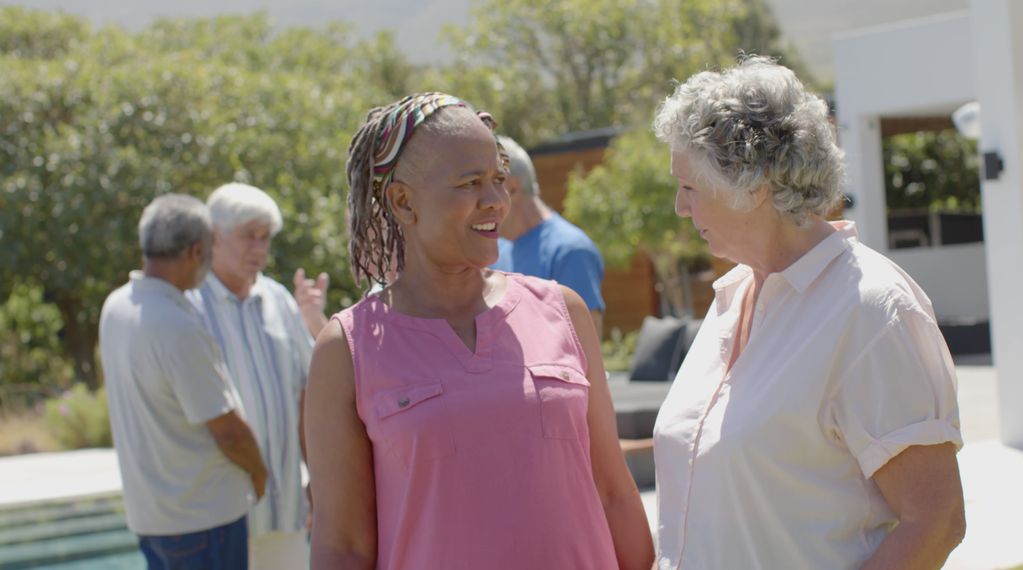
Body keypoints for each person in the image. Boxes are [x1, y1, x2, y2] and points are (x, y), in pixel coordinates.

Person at [304, 92, 653, 569]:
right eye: (470, 183)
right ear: (403, 203)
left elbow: (613, 491)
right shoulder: (348, 349)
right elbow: (343, 546)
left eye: (498, 180)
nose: (495, 202)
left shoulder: (561, 311)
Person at [651, 57, 966, 569]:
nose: (680, 208)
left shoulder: (872, 309)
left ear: (753, 186)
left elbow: (936, 521)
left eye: (689, 188)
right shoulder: (733, 298)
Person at [100, 194, 266, 569]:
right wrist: (259, 473)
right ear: (195, 251)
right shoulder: (177, 327)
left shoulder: (116, 307)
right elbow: (228, 431)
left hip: (152, 518)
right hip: (204, 521)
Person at [187, 183, 318, 569]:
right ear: (214, 236)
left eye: (265, 238)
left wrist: (321, 483)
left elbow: (306, 397)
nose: (259, 249)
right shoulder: (190, 307)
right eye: (249, 237)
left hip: (286, 512)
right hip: (221, 519)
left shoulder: (279, 301)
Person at [489, 135, 606, 334]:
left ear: (513, 188)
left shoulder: (570, 251)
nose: (481, 201)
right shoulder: (496, 248)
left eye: (488, 184)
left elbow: (585, 353)